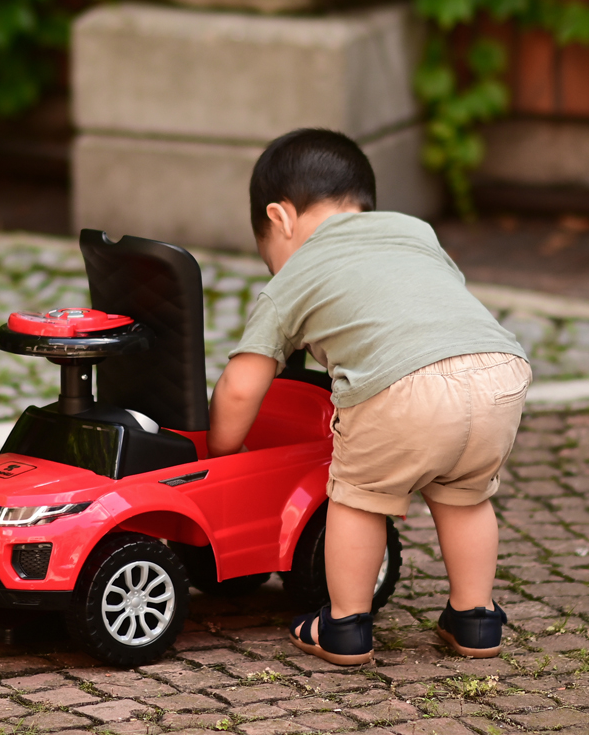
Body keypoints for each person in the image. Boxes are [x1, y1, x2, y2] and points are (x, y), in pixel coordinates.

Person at [206, 128, 531, 665]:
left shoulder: (297, 274)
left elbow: (241, 387)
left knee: (358, 496)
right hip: (498, 370)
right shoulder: (415, 232)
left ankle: (346, 624)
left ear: (280, 218)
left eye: (270, 254)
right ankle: (475, 619)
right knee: (467, 495)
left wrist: (222, 452)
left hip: (401, 388)